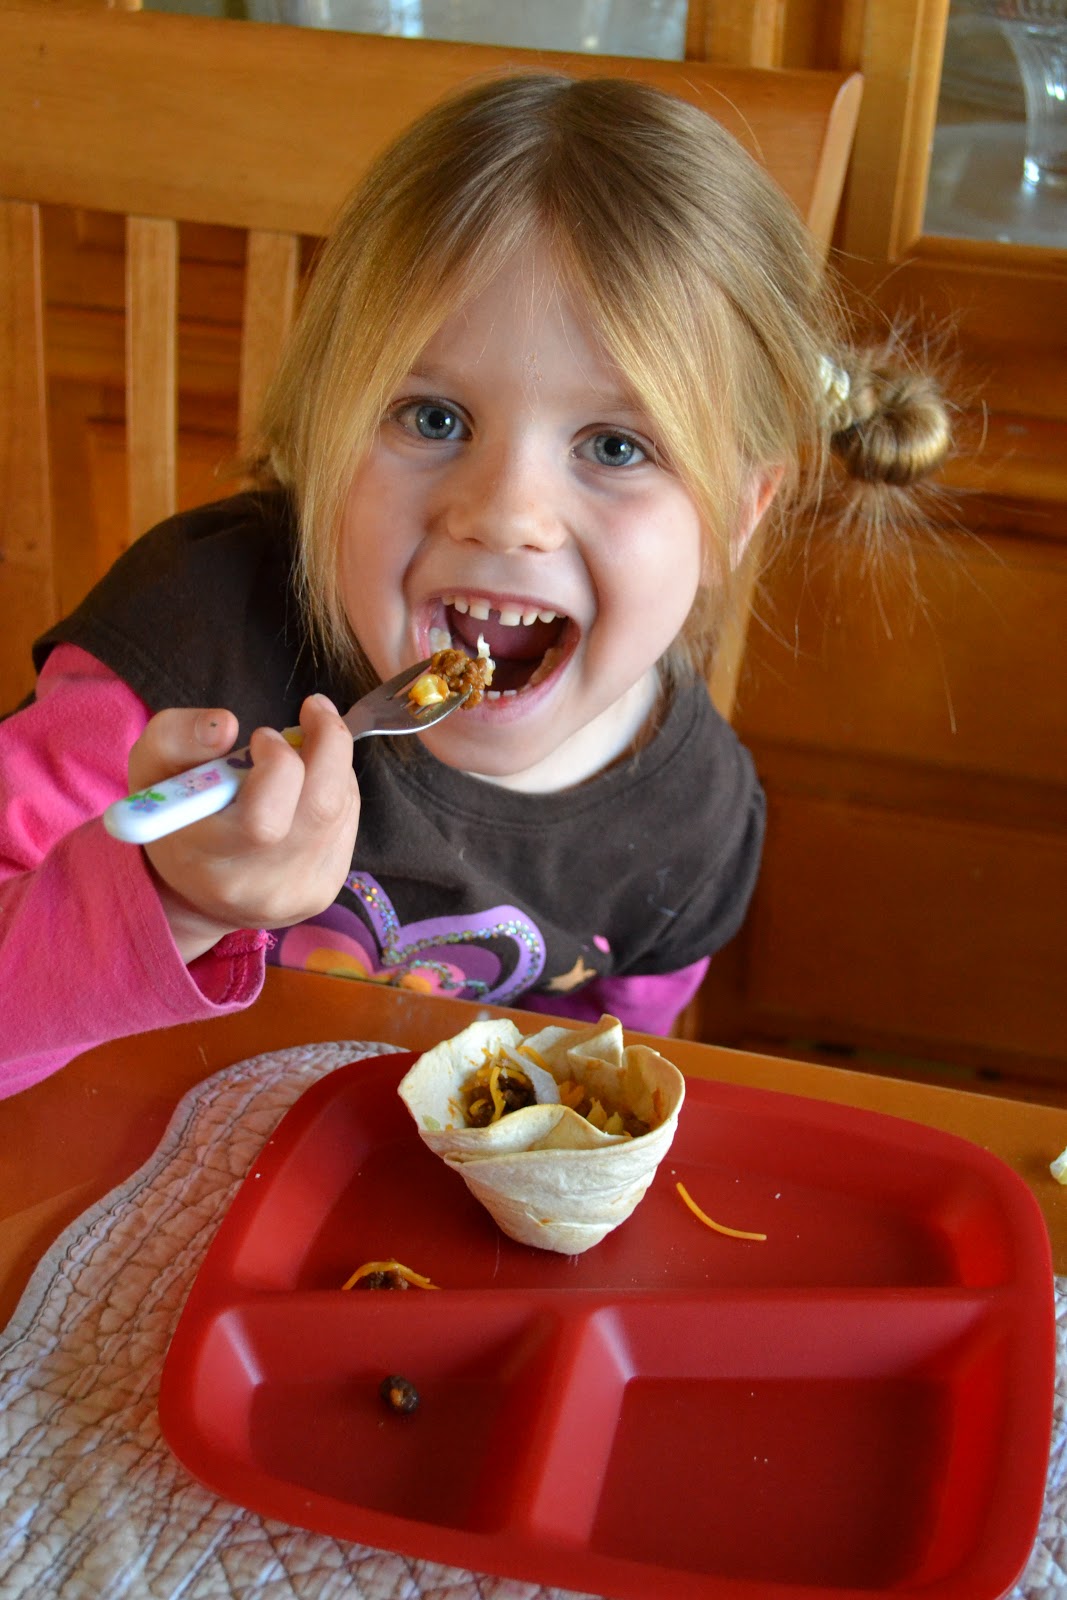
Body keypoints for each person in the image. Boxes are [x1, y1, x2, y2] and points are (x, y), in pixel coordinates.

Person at [0, 73, 951, 1097]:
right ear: (321, 440)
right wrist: (170, 900)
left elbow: (596, 1100)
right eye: (433, 419)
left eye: (615, 445)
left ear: (734, 514)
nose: (502, 512)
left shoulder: (687, 832)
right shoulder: (181, 658)